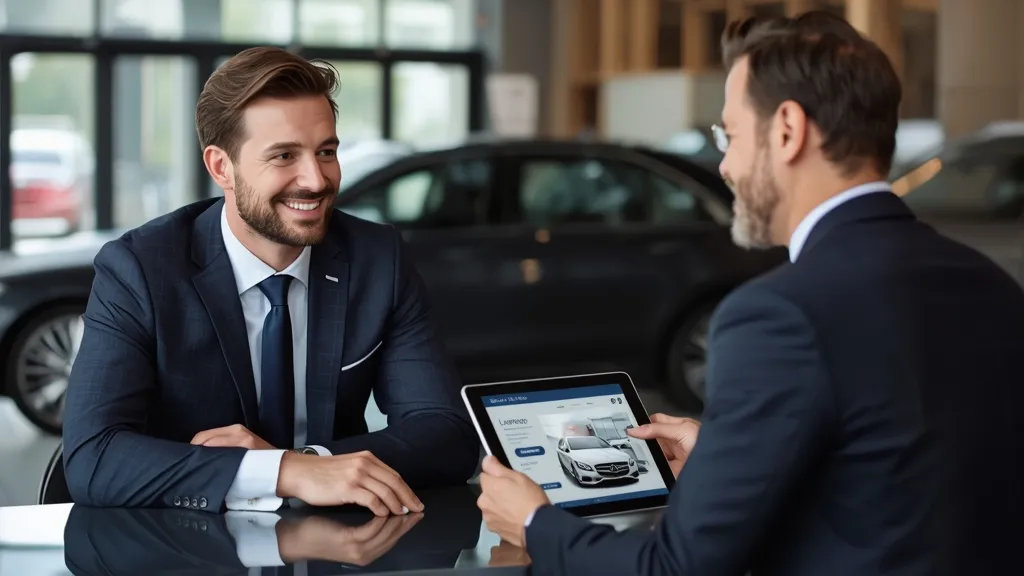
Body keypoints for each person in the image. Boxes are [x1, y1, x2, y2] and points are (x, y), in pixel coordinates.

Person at [476, 11, 1024, 576]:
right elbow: (896, 482)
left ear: (787, 130)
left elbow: (675, 569)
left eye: (730, 135)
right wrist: (727, 452)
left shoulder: (777, 315)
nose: (725, 165)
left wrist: (537, 523)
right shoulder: (992, 285)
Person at [63, 47, 480, 514]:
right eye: (284, 156)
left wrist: (315, 463)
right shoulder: (139, 270)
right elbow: (92, 458)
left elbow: (447, 433)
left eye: (326, 152)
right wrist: (285, 472)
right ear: (222, 167)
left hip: (333, 546)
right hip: (188, 548)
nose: (316, 179)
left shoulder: (378, 258)